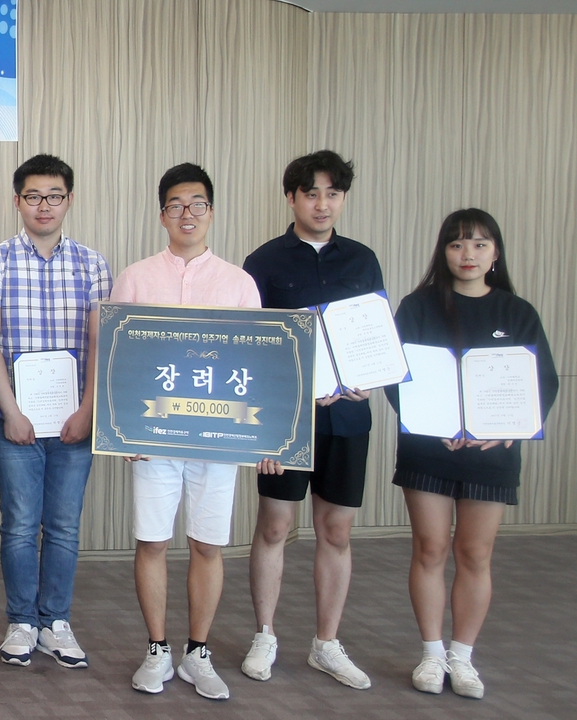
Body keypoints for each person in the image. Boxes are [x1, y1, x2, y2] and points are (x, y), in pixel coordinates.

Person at [116, 163, 275, 701]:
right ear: (162, 214)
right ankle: (157, 649)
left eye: (197, 204)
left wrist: (263, 439)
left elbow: (258, 366)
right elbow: (120, 360)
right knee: (152, 541)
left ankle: (197, 651)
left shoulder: (239, 283)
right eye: (176, 205)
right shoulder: (136, 278)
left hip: (217, 441)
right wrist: (123, 430)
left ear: (211, 212)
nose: (187, 214)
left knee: (208, 544)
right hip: (154, 440)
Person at [387, 209, 557, 700]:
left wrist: (508, 429)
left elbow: (541, 383)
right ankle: (431, 653)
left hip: (491, 454)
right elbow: (395, 376)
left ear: (495, 253)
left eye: (480, 244)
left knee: (475, 553)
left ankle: (462, 657)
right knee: (430, 549)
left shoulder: (517, 312)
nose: (468, 254)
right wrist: (431, 420)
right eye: (457, 244)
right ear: (443, 251)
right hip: (428, 449)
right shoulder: (418, 307)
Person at [239, 150, 383, 689]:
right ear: (292, 198)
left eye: (333, 194)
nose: (323, 204)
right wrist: (263, 428)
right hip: (286, 420)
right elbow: (253, 348)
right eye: (311, 193)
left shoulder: (363, 260)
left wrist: (371, 376)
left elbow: (374, 334)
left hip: (348, 417)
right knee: (275, 526)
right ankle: (265, 635)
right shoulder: (264, 262)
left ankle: (327, 642)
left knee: (336, 531)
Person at [0, 154, 112, 670]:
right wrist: (9, 411)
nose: (43, 206)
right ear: (17, 201)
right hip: (15, 419)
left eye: (54, 196)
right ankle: (21, 622)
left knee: (65, 525)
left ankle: (56, 622)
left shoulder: (93, 264)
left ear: (68, 200)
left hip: (75, 419)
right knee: (19, 524)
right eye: (33, 196)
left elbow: (101, 345)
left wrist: (88, 411)